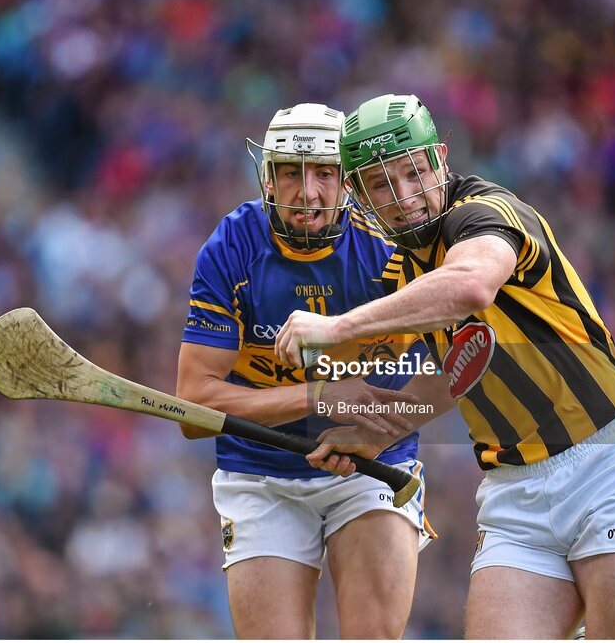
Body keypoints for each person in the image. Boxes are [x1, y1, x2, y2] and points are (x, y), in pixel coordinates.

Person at [275, 94, 615, 639]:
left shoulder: (484, 214)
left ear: (440, 159)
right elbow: (467, 369)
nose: (405, 197)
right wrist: (376, 433)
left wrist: (336, 327)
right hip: (513, 492)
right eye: (382, 184)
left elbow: (471, 286)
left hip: (608, 468)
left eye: (413, 173)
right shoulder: (406, 271)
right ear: (358, 195)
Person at [177, 103, 449, 639]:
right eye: (290, 173)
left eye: (324, 173)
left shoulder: (392, 245)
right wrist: (318, 395)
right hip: (261, 472)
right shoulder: (232, 247)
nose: (307, 193)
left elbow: (449, 369)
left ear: (348, 181)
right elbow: (192, 407)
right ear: (268, 179)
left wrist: (379, 426)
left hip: (374, 465)